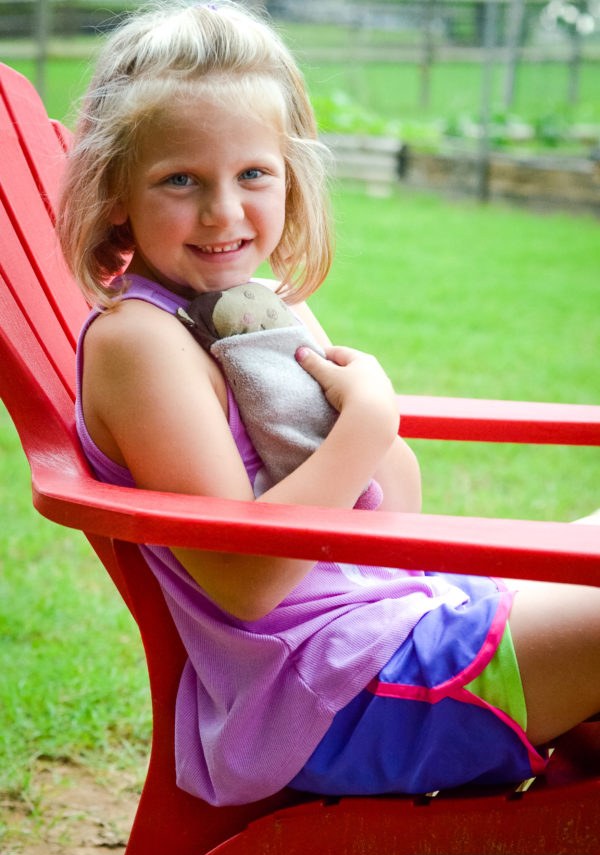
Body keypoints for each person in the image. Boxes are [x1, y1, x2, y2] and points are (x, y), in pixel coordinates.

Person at [57, 0, 600, 807]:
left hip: (400, 626)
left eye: (253, 175)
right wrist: (368, 421)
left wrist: (364, 425)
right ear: (116, 195)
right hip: (336, 698)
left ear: (290, 178)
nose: (224, 212)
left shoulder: (262, 306)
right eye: (181, 180)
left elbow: (395, 519)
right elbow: (244, 583)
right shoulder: (140, 344)